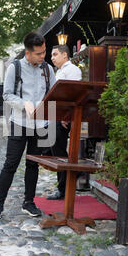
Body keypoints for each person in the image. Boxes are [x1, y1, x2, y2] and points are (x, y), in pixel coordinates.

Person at [0, 32, 56, 220]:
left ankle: (29, 202)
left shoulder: (48, 69)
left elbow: (53, 93)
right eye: (39, 53)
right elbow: (7, 95)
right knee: (10, 164)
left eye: (44, 52)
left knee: (33, 164)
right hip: (19, 122)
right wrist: (23, 103)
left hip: (41, 123)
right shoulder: (15, 68)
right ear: (28, 52)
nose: (43, 56)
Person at [46, 45, 83, 200]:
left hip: (63, 118)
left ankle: (64, 186)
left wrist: (66, 116)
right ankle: (73, 174)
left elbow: (73, 95)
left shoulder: (72, 70)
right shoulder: (60, 71)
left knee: (57, 152)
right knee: (53, 151)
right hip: (56, 115)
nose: (52, 57)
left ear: (65, 55)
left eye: (55, 54)